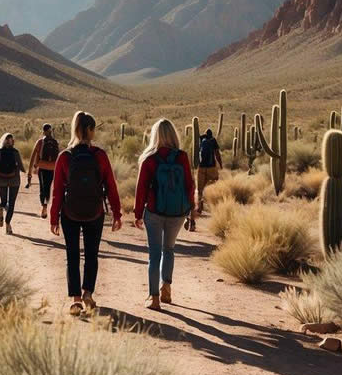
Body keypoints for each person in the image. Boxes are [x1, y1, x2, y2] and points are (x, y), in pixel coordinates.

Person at [50, 111, 122, 315]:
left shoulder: (65, 156)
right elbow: (111, 186)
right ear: (89, 130)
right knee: (91, 254)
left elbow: (56, 191)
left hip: (69, 212)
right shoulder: (99, 155)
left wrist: (54, 218)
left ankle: (75, 300)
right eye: (93, 129)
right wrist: (117, 214)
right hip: (95, 212)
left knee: (72, 255)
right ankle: (88, 293)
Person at [134, 119, 195, 310]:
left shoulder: (149, 158)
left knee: (154, 254)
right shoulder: (182, 157)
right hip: (177, 212)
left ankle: (154, 298)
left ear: (155, 135)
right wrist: (191, 209)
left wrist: (137, 213)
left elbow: (141, 188)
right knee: (169, 249)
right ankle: (166, 287)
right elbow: (189, 184)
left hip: (154, 211)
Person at [0, 132, 25, 235]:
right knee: (11, 203)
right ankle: (8, 225)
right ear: (12, 141)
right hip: (14, 180)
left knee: (3, 201)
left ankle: (1, 209)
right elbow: (22, 167)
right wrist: (23, 170)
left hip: (1, 179)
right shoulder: (15, 152)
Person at [26, 123, 59, 219]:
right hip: (52, 168)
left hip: (42, 168)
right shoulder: (55, 142)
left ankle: (44, 207)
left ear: (43, 131)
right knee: (48, 187)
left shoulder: (40, 142)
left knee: (42, 187)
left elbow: (32, 157)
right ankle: (46, 204)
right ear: (51, 131)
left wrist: (30, 172)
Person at [196, 127, 223, 213]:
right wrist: (220, 164)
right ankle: (214, 205)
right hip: (211, 167)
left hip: (201, 167)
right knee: (213, 184)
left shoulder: (200, 139)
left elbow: (196, 151)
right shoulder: (213, 140)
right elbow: (217, 154)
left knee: (200, 189)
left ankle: (200, 207)